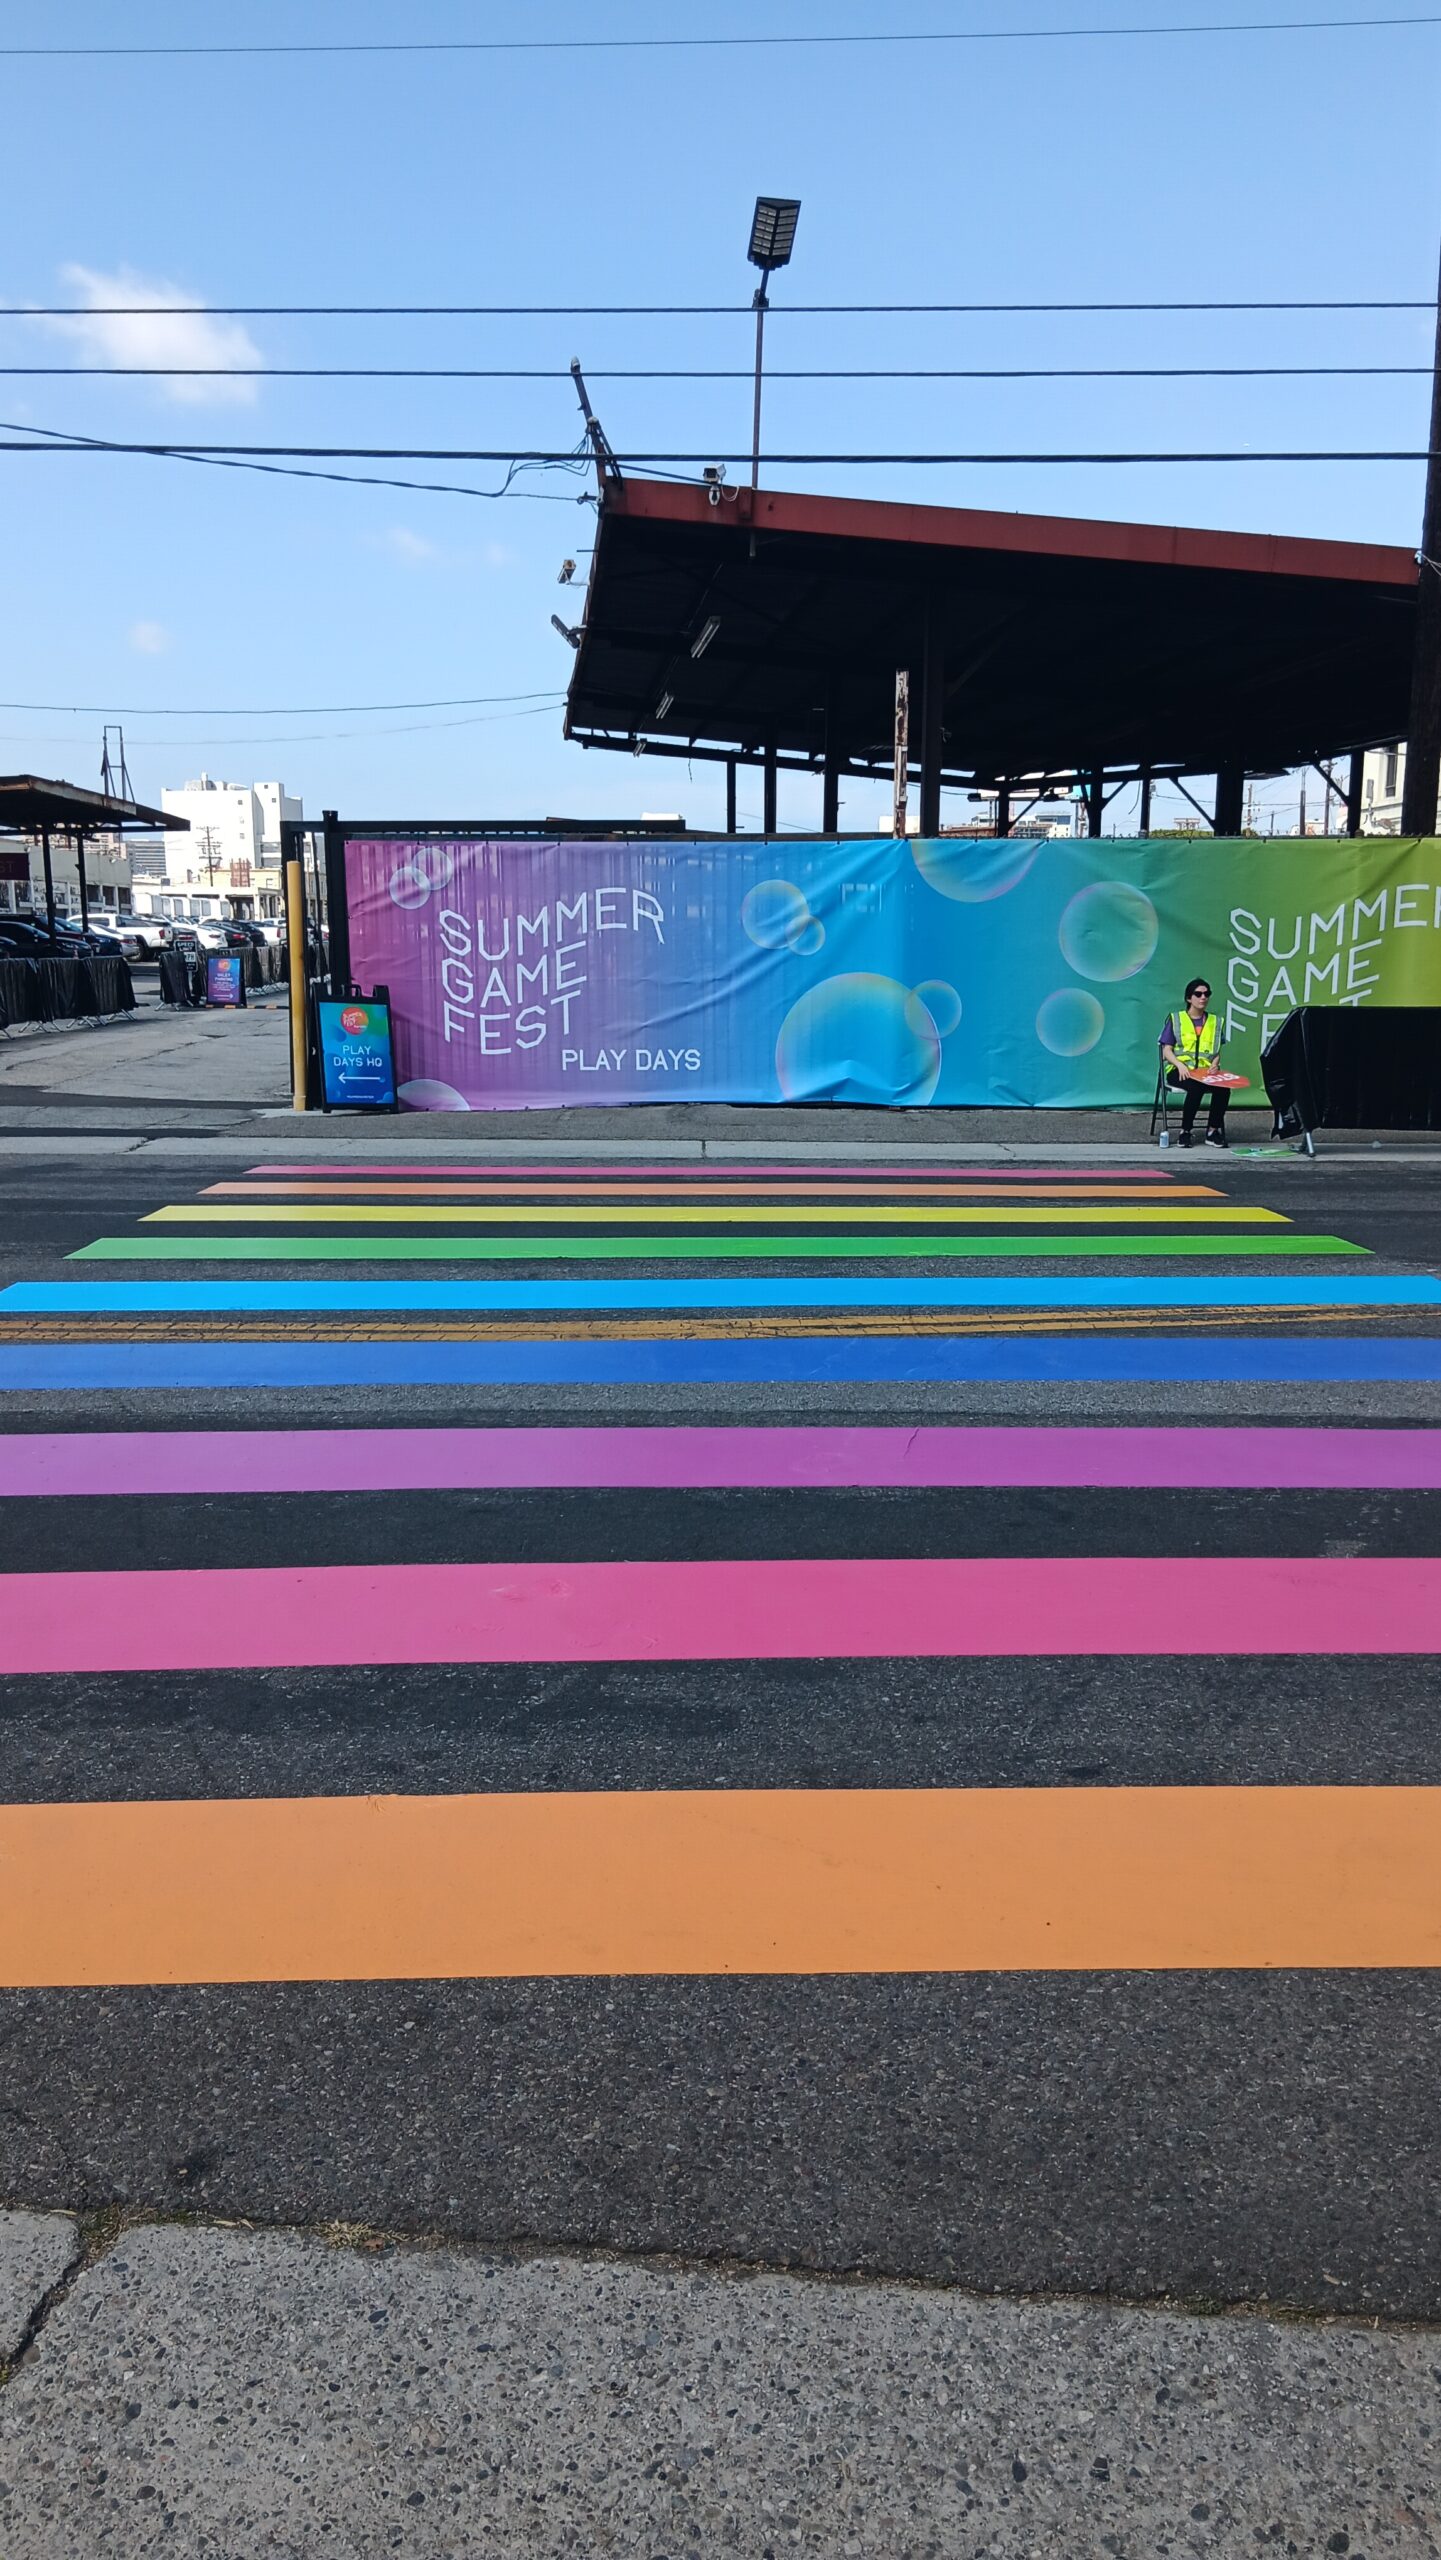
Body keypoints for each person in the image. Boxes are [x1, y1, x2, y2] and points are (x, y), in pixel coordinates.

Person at [1160, 977, 1230, 1148]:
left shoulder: (1216, 1021)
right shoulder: (1176, 1019)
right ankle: (1185, 1132)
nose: (1203, 997)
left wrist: (1215, 1064)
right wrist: (1179, 1065)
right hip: (1179, 1070)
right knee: (1196, 1087)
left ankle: (1213, 1131)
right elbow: (1166, 1050)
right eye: (1198, 994)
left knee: (1224, 1089)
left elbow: (1216, 1052)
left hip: (1205, 1072)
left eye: (1206, 994)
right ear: (1189, 998)